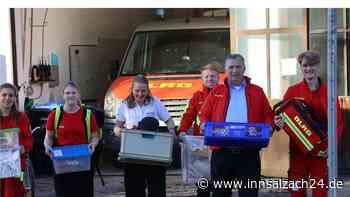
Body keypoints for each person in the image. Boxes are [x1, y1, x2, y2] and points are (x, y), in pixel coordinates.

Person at [199, 54, 274, 197]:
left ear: (244, 68)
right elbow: (203, 115)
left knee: (249, 193)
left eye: (238, 67)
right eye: (231, 67)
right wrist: (203, 124)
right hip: (221, 152)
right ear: (225, 70)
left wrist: (269, 127)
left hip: (249, 153)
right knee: (220, 193)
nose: (234, 71)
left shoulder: (257, 91)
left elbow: (268, 115)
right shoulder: (216, 92)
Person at [274, 50, 344, 197]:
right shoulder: (292, 91)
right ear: (301, 68)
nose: (309, 69)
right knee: (296, 191)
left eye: (312, 65)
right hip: (298, 152)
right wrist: (278, 123)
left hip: (321, 154)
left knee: (320, 192)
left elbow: (337, 123)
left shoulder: (329, 92)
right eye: (305, 65)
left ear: (318, 67)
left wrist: (330, 147)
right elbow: (281, 118)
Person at [114, 74, 176, 197]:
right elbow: (117, 127)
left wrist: (172, 133)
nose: (140, 94)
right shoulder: (124, 105)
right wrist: (120, 133)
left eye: (143, 91)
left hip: (153, 153)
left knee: (157, 189)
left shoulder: (155, 102)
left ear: (148, 90)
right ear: (132, 90)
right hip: (133, 153)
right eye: (137, 91)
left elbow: (169, 121)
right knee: (134, 189)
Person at [44, 81, 99, 197]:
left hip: (83, 160)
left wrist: (93, 144)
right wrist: (47, 146)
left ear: (78, 95)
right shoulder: (55, 115)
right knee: (63, 192)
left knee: (83, 192)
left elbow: (95, 136)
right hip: (62, 161)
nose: (71, 95)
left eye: (73, 93)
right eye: (67, 93)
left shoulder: (87, 114)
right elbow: (48, 137)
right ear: (63, 95)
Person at [178, 62, 221, 197]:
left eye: (213, 76)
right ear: (202, 79)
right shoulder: (197, 96)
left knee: (220, 184)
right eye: (206, 76)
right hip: (201, 144)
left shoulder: (225, 94)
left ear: (218, 77)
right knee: (203, 184)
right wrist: (182, 130)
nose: (210, 79)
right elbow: (188, 115)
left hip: (220, 144)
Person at [0, 83, 33, 197]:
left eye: (11, 95)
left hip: (15, 165)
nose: (7, 98)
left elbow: (29, 140)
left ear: (15, 98)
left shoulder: (21, 117)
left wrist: (22, 148)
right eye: (4, 95)